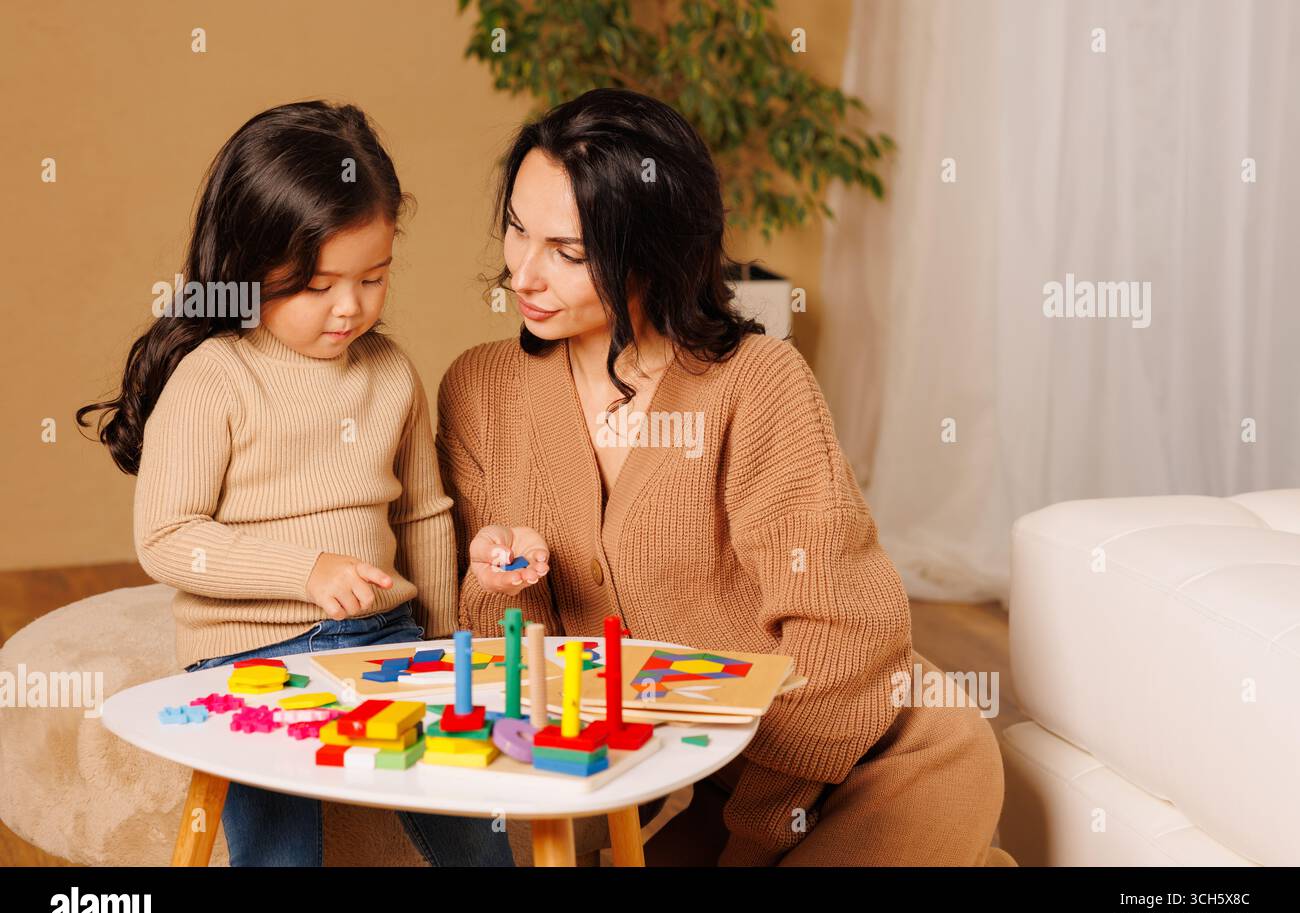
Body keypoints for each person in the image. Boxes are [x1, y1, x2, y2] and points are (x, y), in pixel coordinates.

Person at [435, 88, 1008, 865]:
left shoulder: (758, 383)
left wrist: (757, 838)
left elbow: (844, 635)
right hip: (716, 779)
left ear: (656, 251)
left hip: (877, 751)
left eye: (569, 253)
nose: (524, 273)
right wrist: (493, 582)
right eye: (515, 228)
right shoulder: (479, 390)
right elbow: (497, 663)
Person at [78, 100, 512, 867]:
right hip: (250, 657)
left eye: (373, 278)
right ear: (250, 271)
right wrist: (303, 570)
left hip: (387, 641)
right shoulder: (216, 378)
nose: (350, 307)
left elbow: (423, 515)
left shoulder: (389, 371)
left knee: (479, 825)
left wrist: (446, 648)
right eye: (315, 285)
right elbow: (169, 537)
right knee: (278, 853)